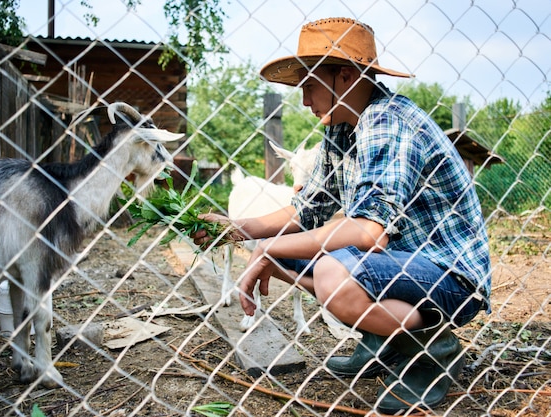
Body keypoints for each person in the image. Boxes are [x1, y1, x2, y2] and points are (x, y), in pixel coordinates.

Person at [193, 17, 491, 414]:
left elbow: (369, 232)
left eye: (309, 86)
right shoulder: (342, 129)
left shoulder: (387, 120)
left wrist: (264, 247)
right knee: (285, 252)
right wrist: (238, 230)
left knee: (334, 272)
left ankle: (432, 351)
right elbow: (307, 210)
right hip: (398, 267)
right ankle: (384, 339)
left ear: (346, 76)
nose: (303, 101)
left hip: (447, 274)